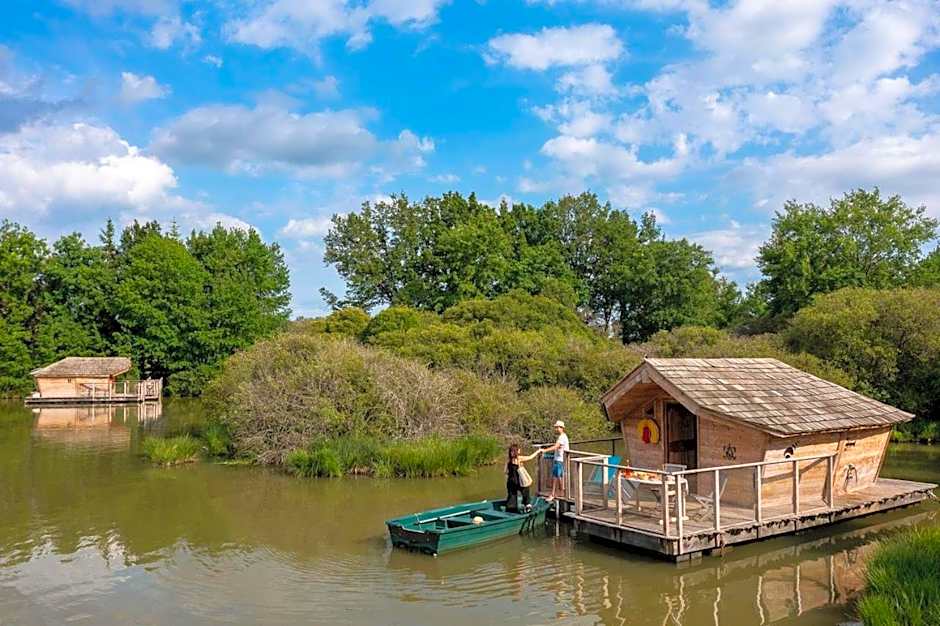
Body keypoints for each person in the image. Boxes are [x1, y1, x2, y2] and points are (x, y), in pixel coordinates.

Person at [506, 443, 541, 513]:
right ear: (517, 451)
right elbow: (530, 457)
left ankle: (511, 509)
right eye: (518, 449)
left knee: (512, 496)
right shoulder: (519, 459)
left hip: (510, 482)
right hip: (518, 482)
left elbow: (505, 472)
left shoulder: (508, 460)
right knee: (526, 490)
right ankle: (528, 505)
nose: (519, 450)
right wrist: (538, 451)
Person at [541, 420, 569, 502]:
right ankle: (562, 492)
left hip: (560, 460)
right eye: (556, 427)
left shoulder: (562, 437)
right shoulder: (562, 436)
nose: (556, 429)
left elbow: (556, 446)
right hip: (559, 459)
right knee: (559, 476)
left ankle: (553, 494)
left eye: (557, 427)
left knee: (555, 477)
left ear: (562, 428)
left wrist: (545, 450)